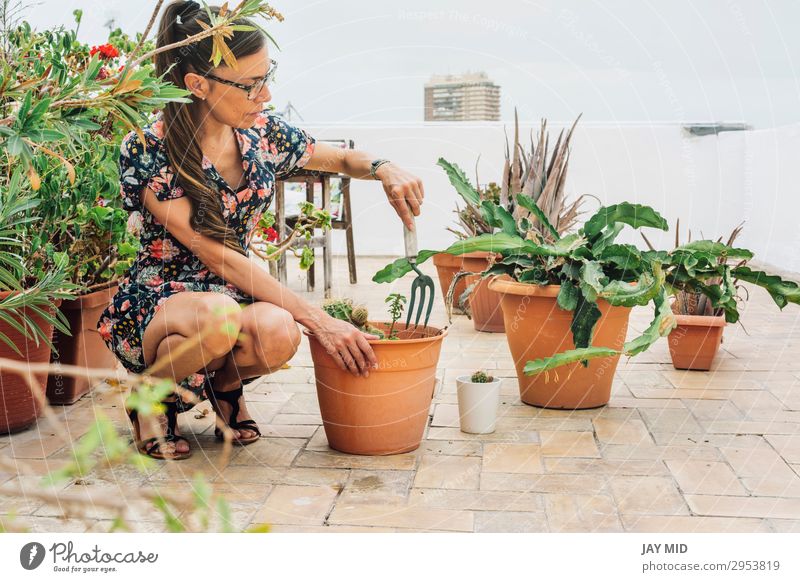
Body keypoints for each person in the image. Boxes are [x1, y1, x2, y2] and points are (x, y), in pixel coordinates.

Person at [96, 0, 425, 460]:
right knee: (219, 319)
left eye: (267, 78)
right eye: (250, 86)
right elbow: (215, 255)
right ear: (197, 85)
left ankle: (223, 386)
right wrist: (321, 320)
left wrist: (385, 168)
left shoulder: (262, 135)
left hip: (229, 291)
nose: (264, 96)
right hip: (161, 298)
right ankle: (151, 395)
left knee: (278, 330)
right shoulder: (149, 147)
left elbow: (341, 159)